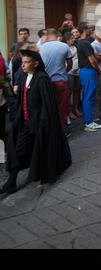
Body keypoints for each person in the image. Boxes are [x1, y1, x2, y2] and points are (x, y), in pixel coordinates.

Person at [0, 49, 71, 194]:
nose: (23, 66)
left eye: (27, 62)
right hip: (26, 123)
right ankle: (11, 182)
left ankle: (39, 174)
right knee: (19, 150)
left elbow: (48, 104)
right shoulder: (24, 76)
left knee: (42, 150)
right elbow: (22, 99)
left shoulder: (42, 79)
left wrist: (44, 123)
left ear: (36, 63)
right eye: (22, 62)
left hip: (39, 124)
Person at [39, 29, 73, 128]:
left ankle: (52, 129)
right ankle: (60, 129)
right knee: (62, 107)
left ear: (47, 35)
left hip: (47, 81)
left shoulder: (42, 47)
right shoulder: (64, 46)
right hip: (61, 81)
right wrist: (64, 71)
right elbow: (70, 64)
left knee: (50, 106)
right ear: (57, 35)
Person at [77, 22, 101, 132]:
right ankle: (89, 122)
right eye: (90, 28)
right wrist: (98, 69)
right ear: (85, 29)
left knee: (88, 96)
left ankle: (89, 120)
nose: (91, 30)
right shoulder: (85, 43)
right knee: (89, 96)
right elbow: (92, 60)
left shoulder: (81, 42)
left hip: (85, 71)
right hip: (88, 71)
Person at [63, 32, 81, 119]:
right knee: (69, 92)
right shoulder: (64, 48)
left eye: (74, 38)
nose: (73, 40)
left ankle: (76, 108)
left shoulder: (75, 47)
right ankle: (69, 112)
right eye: (71, 38)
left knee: (76, 91)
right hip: (69, 72)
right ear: (66, 40)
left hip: (77, 72)